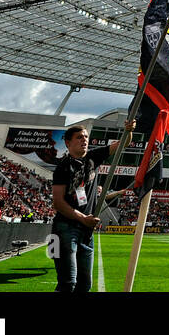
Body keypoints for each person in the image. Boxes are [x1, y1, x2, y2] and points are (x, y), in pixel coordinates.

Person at [50, 120, 133, 293]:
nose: (85, 140)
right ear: (68, 142)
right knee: (68, 283)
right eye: (79, 137)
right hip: (66, 229)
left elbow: (123, 143)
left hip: (86, 232)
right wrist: (83, 218)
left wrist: (129, 130)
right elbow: (57, 202)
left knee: (84, 285)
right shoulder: (63, 167)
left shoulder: (93, 158)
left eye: (86, 137)